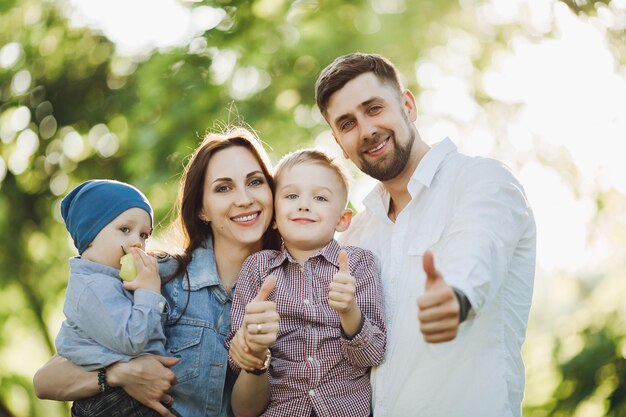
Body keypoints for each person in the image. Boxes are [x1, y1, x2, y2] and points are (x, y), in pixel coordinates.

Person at [315, 53, 536, 417]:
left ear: (407, 104)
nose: (367, 130)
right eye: (348, 123)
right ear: (340, 143)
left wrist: (455, 298)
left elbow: (477, 253)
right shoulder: (355, 237)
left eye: (373, 108)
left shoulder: (481, 182)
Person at [33, 127, 281, 417]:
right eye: (223, 188)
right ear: (202, 208)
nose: (244, 199)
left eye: (255, 181)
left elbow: (245, 412)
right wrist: (119, 374)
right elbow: (45, 381)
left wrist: (255, 357)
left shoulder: (295, 288)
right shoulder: (157, 277)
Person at [226, 149, 386, 417]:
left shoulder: (359, 265)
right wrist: (251, 343)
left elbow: (372, 357)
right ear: (274, 216)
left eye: (320, 197)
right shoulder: (257, 268)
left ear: (342, 220)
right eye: (291, 196)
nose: (304, 205)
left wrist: (349, 312)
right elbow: (235, 362)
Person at [55, 179, 170, 417]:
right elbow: (132, 339)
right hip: (110, 402)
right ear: (90, 234)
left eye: (144, 234)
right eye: (125, 229)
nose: (137, 242)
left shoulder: (113, 279)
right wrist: (149, 291)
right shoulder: (93, 288)